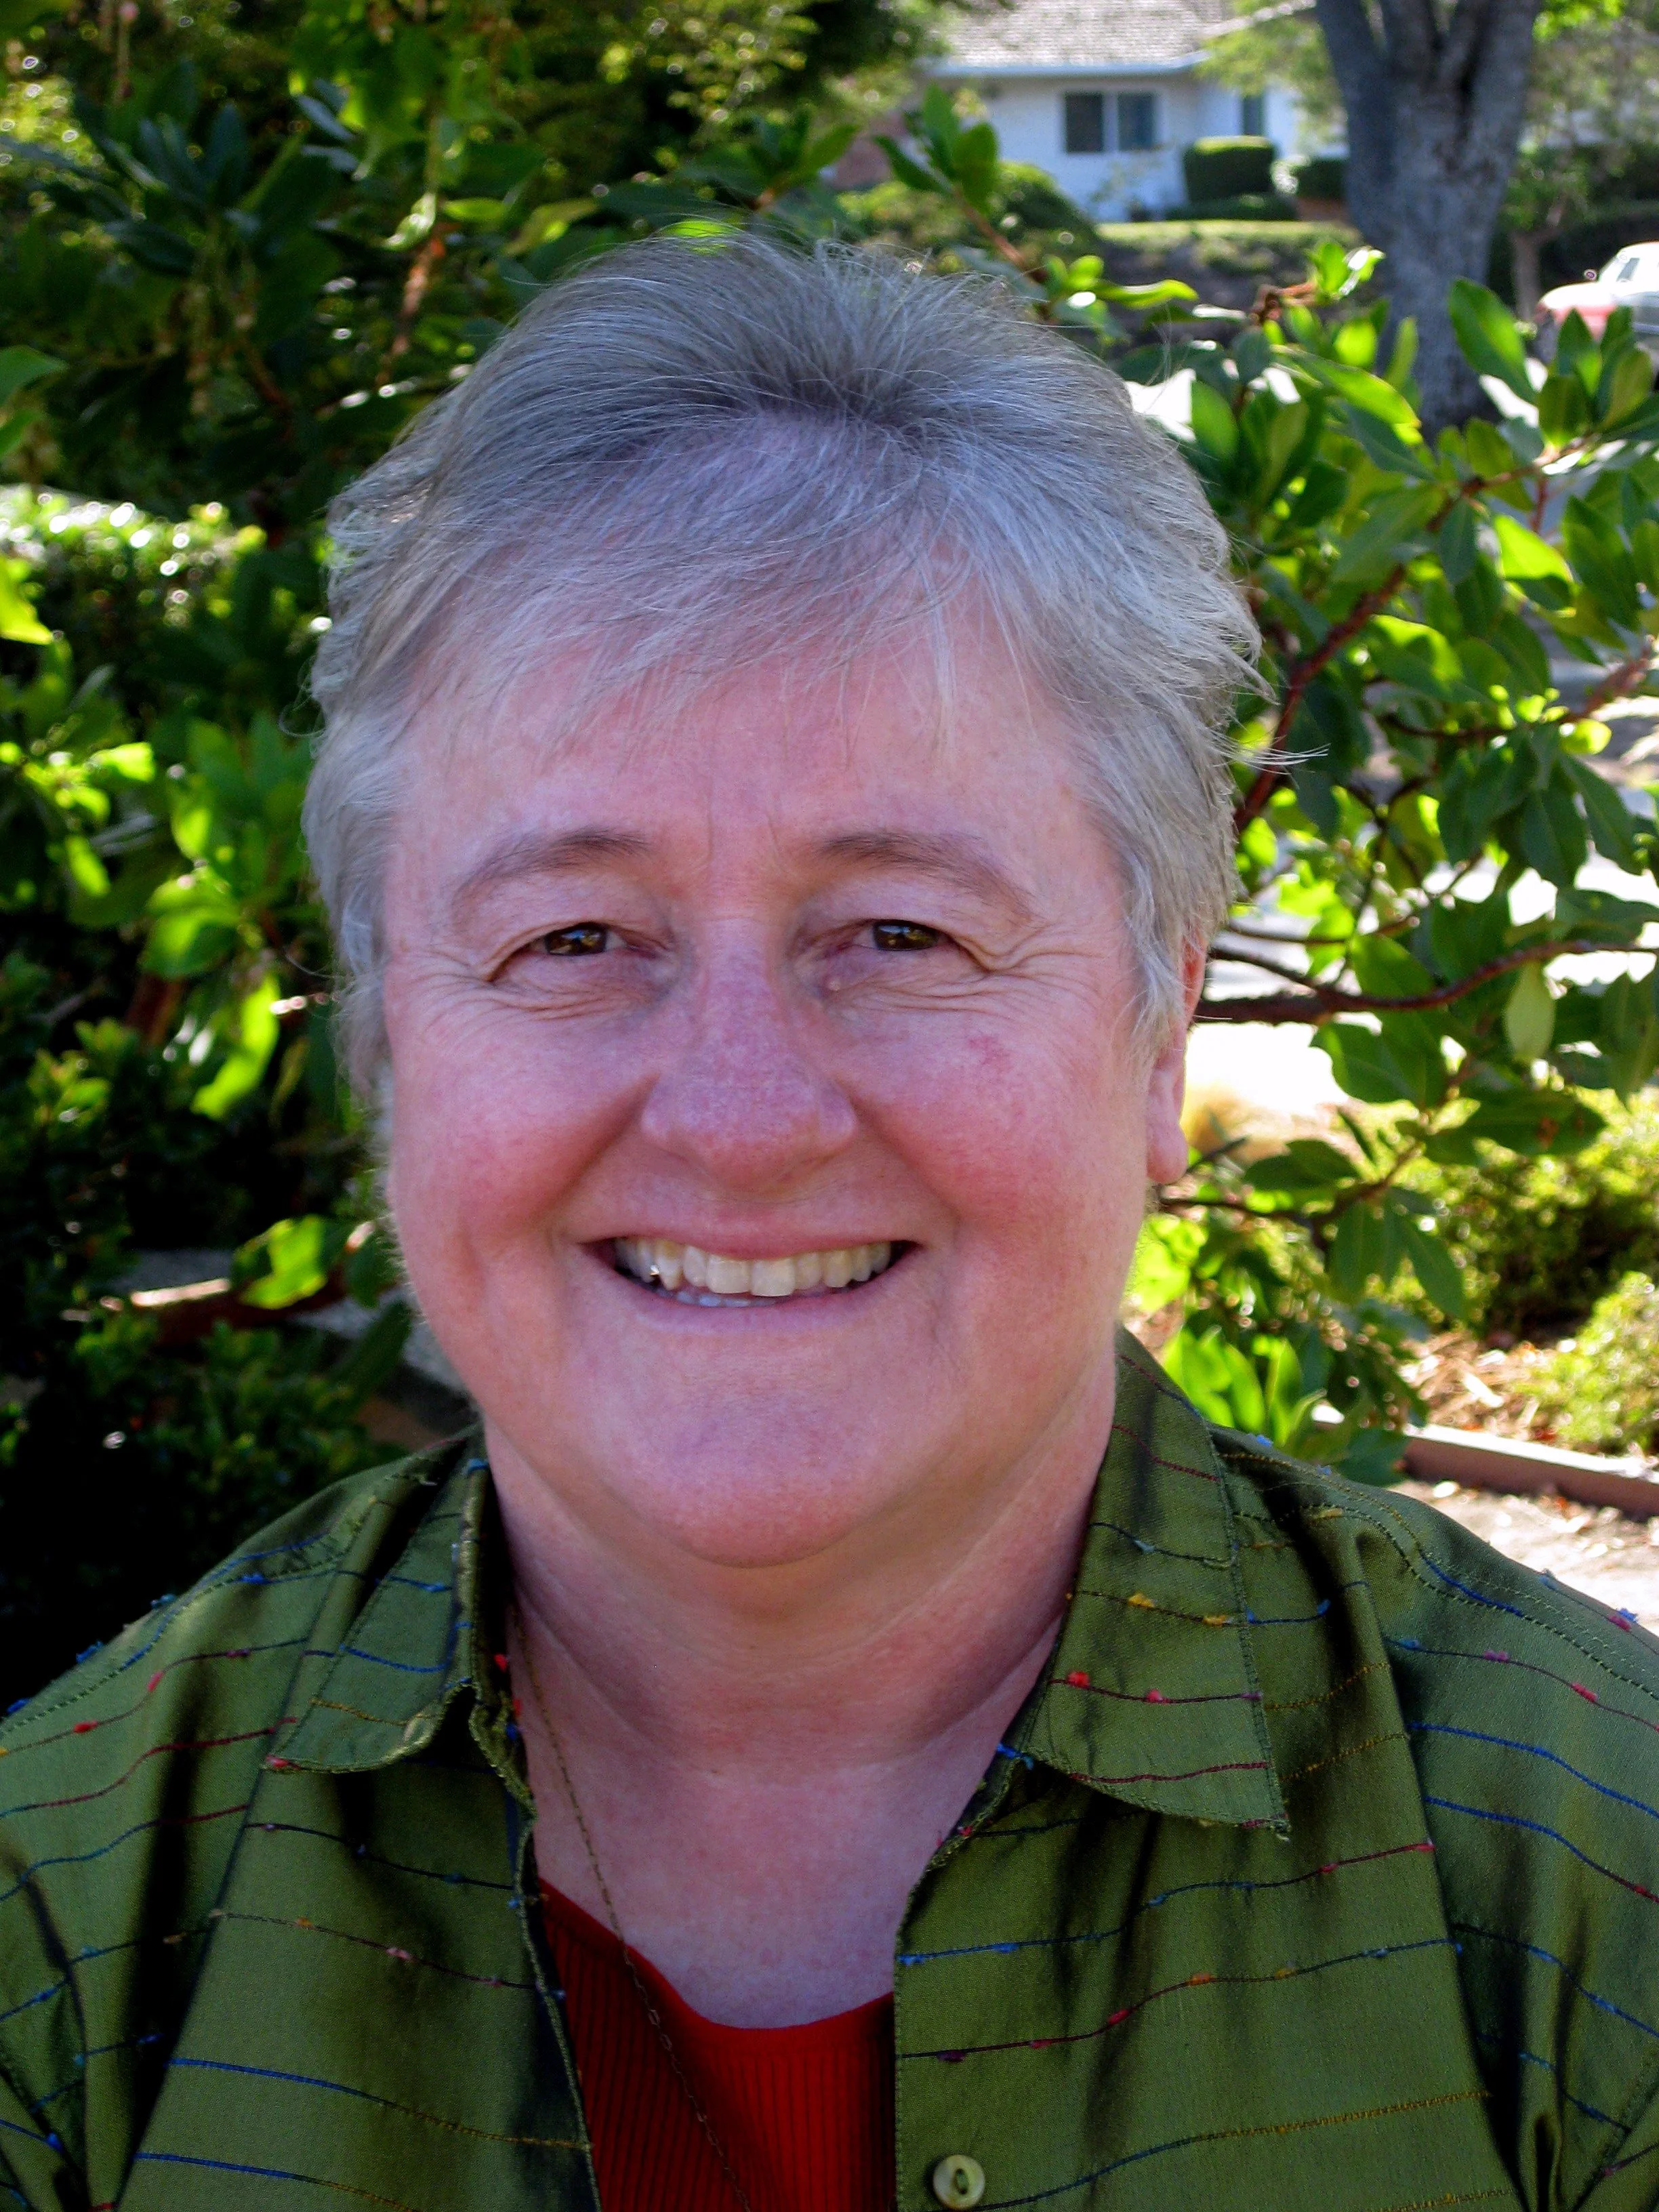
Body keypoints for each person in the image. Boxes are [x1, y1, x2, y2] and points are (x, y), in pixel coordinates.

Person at [1, 234, 1657, 2212]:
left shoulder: (1597, 1887)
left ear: (1154, 1032)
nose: (744, 1118)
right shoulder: (69, 1930)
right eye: (573, 939)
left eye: (899, 932)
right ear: (380, 1050)